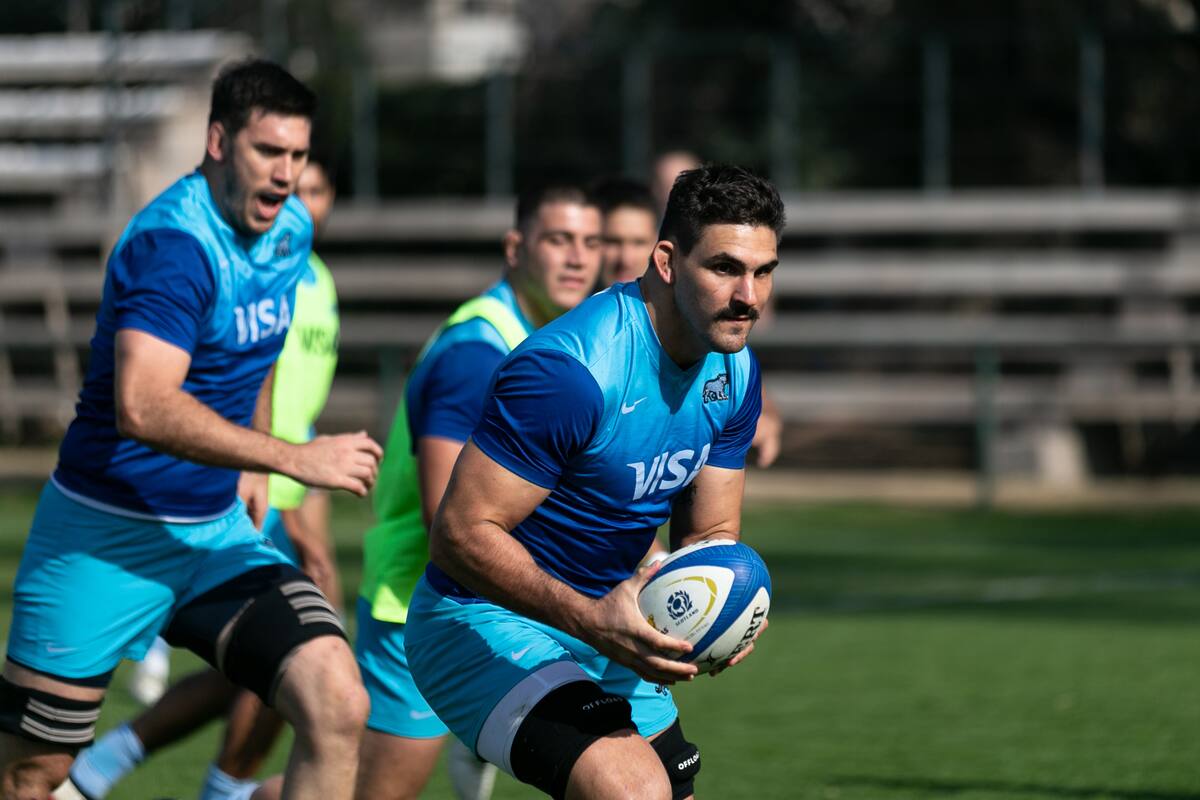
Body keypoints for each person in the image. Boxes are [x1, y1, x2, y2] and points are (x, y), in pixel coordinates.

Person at [0, 60, 381, 800]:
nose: (285, 175)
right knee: (31, 774)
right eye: (268, 152)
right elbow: (143, 406)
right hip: (102, 535)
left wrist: (255, 466)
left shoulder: (289, 230)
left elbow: (258, 350)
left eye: (298, 156)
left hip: (211, 537)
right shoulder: (174, 248)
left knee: (338, 701)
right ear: (217, 141)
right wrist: (292, 458)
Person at [404, 164, 782, 800]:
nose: (749, 295)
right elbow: (458, 535)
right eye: (724, 268)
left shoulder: (735, 372)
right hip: (478, 621)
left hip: (611, 621)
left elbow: (711, 535)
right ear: (666, 260)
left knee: (671, 789)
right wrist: (589, 618)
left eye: (764, 271)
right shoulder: (573, 372)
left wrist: (728, 607)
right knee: (632, 791)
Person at [67, 157, 345, 800]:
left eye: (317, 190)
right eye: (293, 189)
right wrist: (268, 467)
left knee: (276, 663)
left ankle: (108, 762)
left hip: (286, 479)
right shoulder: (229, 266)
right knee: (289, 661)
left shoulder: (319, 279)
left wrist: (301, 492)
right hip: (242, 484)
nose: (303, 201)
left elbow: (291, 393)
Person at [354, 185, 603, 800]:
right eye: (558, 240)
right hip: (416, 600)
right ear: (516, 248)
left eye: (590, 242)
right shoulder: (479, 351)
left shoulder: (549, 340)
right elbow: (448, 515)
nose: (578, 258)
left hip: (486, 600)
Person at [593, 172, 783, 469]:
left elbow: (732, 375)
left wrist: (762, 413)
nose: (625, 257)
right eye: (611, 242)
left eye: (638, 242)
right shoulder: (572, 339)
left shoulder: (697, 317)